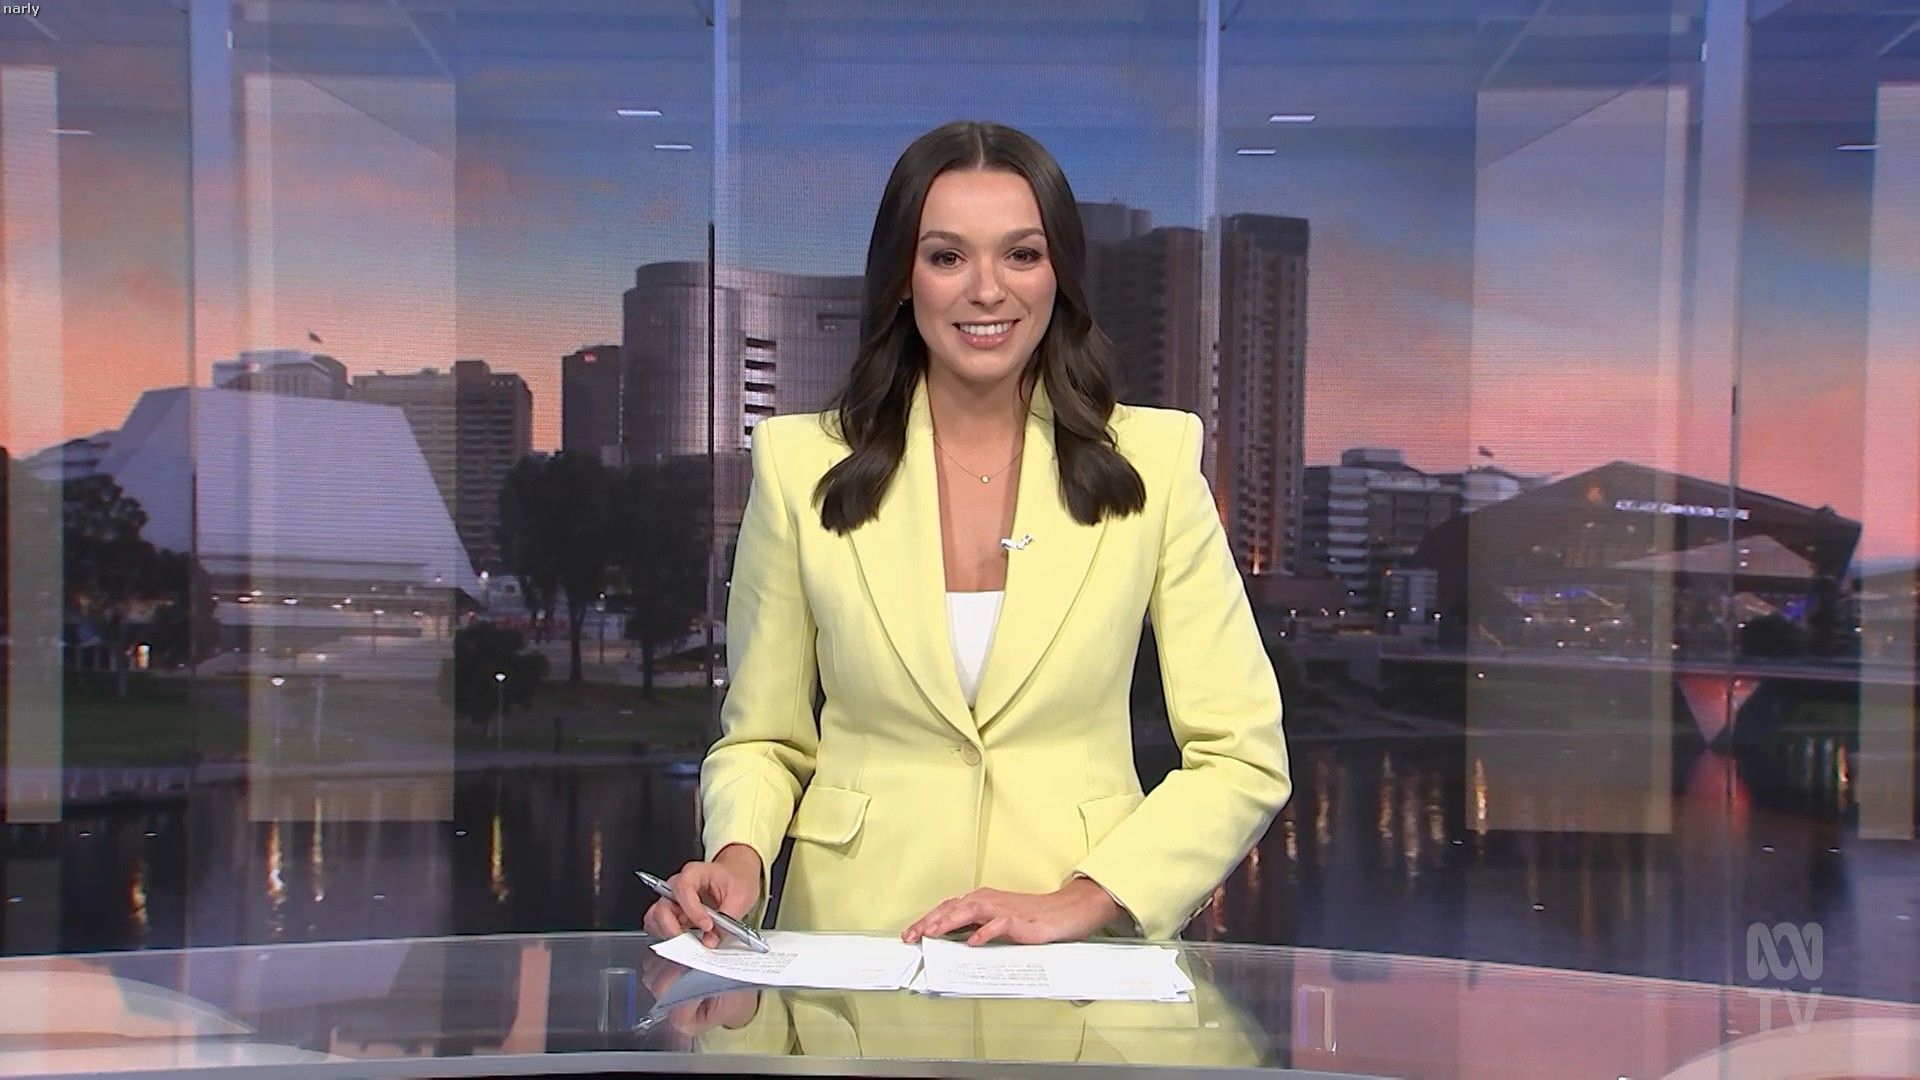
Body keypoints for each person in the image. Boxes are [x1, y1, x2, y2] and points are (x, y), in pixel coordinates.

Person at [643, 119, 1290, 948]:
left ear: (1059, 274)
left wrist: (1087, 897)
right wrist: (738, 859)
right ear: (902, 280)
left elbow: (1242, 753)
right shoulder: (799, 466)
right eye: (947, 257)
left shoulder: (1155, 464)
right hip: (855, 947)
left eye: (1021, 254)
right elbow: (764, 739)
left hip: (1072, 959)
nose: (988, 290)